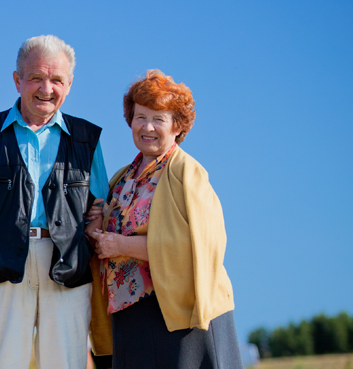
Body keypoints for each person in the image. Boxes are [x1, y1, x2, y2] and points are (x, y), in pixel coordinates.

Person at [0, 35, 108, 369]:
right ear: (17, 80)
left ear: (69, 84)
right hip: (0, 264)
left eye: (57, 80)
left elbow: (101, 205)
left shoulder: (87, 139)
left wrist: (88, 241)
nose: (46, 88)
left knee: (67, 363)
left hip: (68, 266)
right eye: (36, 77)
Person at [84, 70, 241, 368]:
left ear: (177, 126)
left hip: (180, 317)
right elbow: (103, 235)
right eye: (140, 116)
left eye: (159, 118)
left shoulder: (187, 173)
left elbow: (196, 248)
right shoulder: (121, 178)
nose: (148, 127)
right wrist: (96, 226)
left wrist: (119, 245)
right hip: (130, 317)